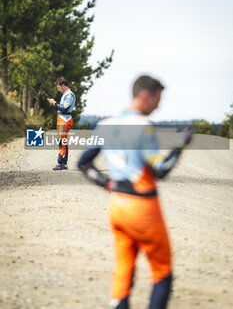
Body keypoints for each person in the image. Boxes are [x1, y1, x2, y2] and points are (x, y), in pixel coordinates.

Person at [78, 75, 192, 309]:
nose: (158, 106)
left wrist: (108, 184)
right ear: (144, 96)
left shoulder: (106, 123)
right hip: (143, 207)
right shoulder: (142, 125)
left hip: (118, 205)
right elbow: (161, 170)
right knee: (162, 272)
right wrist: (180, 146)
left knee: (123, 270)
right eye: (157, 100)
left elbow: (83, 163)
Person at [47, 78, 76, 170]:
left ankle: (60, 163)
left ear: (63, 86)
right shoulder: (66, 95)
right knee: (63, 141)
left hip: (65, 120)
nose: (58, 90)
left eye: (59, 88)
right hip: (62, 120)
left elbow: (64, 108)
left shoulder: (69, 95)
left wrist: (54, 103)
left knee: (61, 142)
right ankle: (64, 163)